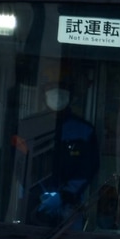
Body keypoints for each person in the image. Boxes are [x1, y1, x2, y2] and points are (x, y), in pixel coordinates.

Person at [16, 80, 100, 226]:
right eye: (51, 88)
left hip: (69, 208)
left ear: (71, 96)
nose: (57, 94)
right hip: (32, 205)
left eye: (62, 89)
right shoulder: (27, 126)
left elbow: (88, 168)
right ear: (43, 94)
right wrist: (36, 194)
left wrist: (64, 196)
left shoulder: (84, 130)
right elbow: (17, 164)